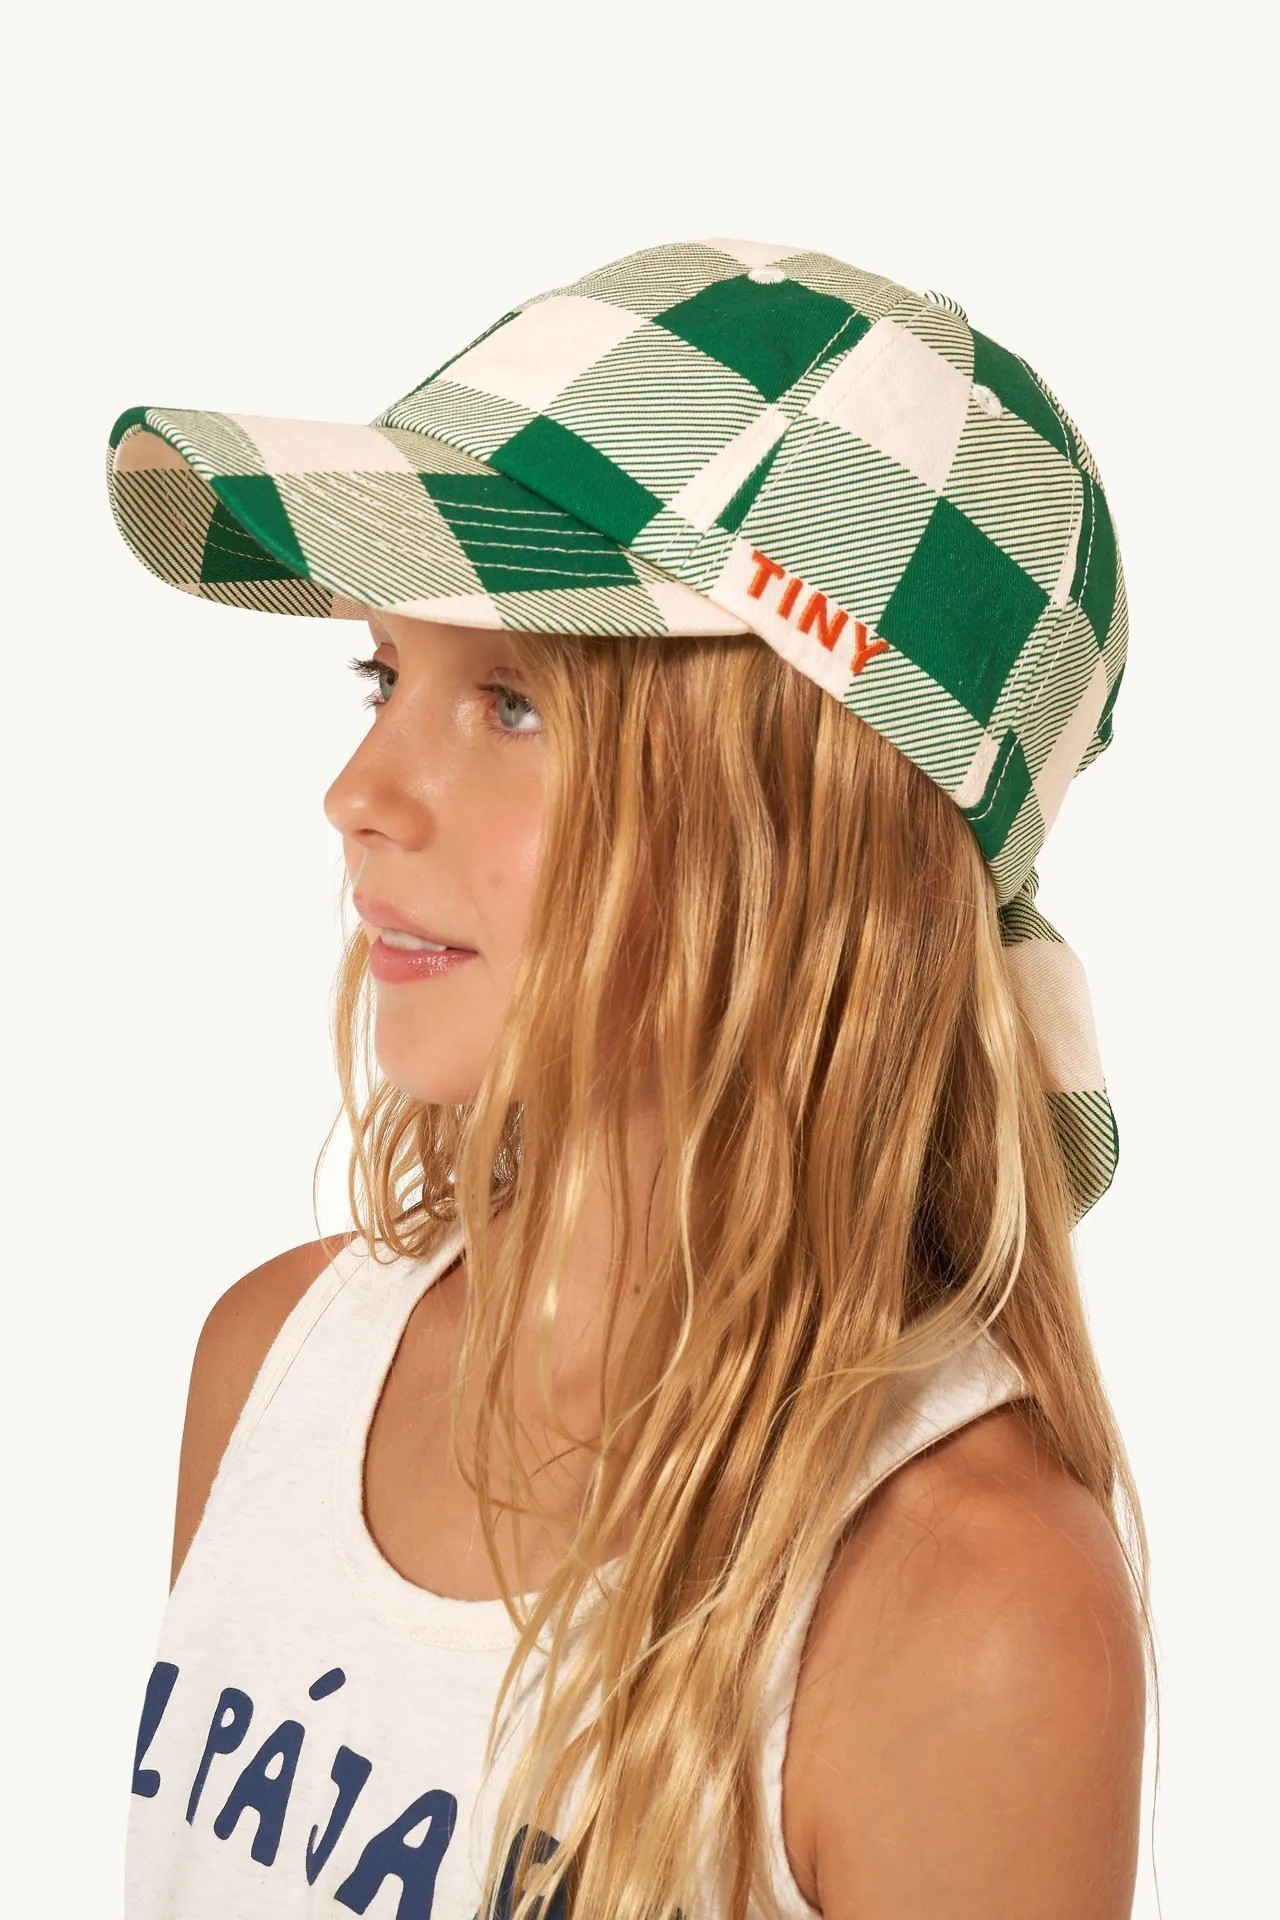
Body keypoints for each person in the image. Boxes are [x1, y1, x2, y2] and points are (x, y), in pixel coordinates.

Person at [108, 236, 1150, 1920]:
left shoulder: (965, 1607)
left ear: (808, 833)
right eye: (387, 676)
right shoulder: (276, 1365)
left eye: (512, 703)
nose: (359, 792)